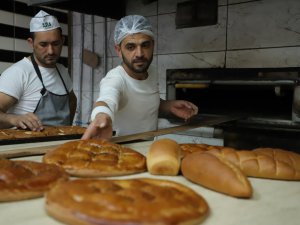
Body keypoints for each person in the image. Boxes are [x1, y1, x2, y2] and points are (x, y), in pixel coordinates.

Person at [82, 15, 198, 140]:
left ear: (153, 45)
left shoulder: (151, 71)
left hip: (146, 149)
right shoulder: (115, 78)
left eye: (145, 45)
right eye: (130, 47)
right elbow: (107, 99)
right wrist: (102, 115)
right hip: (121, 154)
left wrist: (169, 106)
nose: (139, 54)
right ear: (118, 50)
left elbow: (142, 103)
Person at [0, 10, 77, 131]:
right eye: (43, 45)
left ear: (63, 41)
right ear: (31, 43)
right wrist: (14, 119)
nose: (51, 51)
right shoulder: (18, 73)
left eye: (56, 43)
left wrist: (67, 129)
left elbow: (72, 100)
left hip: (61, 144)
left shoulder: (62, 71)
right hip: (28, 147)